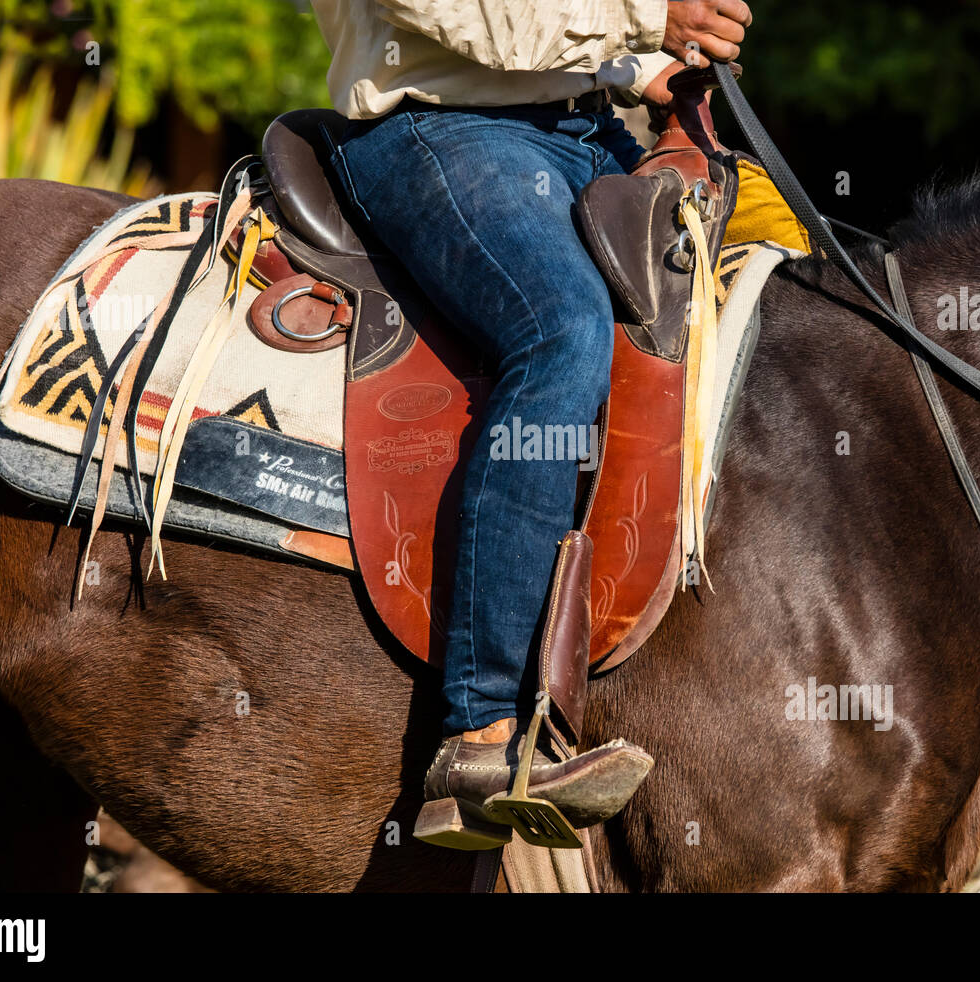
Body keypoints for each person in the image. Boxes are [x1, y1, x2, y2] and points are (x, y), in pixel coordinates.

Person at [309, 0, 753, 848]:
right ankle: (480, 734)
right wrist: (646, 17)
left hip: (586, 130)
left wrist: (635, 71)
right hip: (437, 135)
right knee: (562, 332)